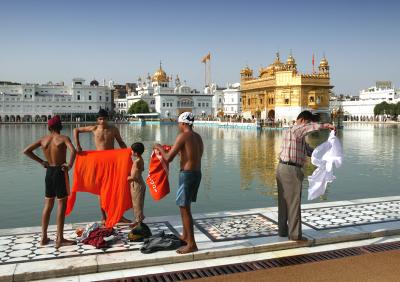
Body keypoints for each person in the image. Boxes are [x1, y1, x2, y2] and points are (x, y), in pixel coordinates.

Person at [276, 111, 336, 241]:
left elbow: (308, 151)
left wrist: (322, 156)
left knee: (284, 202)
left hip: (282, 168)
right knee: (294, 203)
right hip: (291, 170)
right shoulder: (297, 129)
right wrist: (326, 126)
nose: (309, 126)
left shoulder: (293, 133)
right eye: (308, 122)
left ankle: (283, 231)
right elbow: (309, 127)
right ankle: (295, 235)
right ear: (303, 120)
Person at [23, 115, 76, 248]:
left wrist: (41, 162)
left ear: (49, 127)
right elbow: (73, 151)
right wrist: (69, 166)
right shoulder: (63, 138)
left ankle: (44, 237)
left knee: (48, 204)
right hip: (60, 172)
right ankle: (59, 238)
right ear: (60, 126)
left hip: (49, 172)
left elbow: (26, 151)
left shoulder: (43, 140)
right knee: (61, 204)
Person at [154, 112, 203, 254]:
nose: (178, 126)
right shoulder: (197, 137)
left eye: (178, 123)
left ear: (183, 123)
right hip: (196, 173)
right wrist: (180, 151)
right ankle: (186, 236)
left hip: (187, 175)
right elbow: (195, 154)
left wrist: (159, 147)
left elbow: (168, 158)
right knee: (185, 206)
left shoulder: (183, 136)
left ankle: (192, 244)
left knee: (184, 208)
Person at [73, 109, 131, 224]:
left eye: (104, 118)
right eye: (100, 119)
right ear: (97, 120)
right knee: (101, 191)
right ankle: (104, 217)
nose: (102, 120)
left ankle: (119, 215)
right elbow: (76, 130)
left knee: (115, 188)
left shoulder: (113, 129)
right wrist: (78, 145)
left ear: (107, 119)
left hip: (112, 161)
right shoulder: (94, 129)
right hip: (99, 162)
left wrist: (128, 153)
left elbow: (120, 142)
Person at [127, 142, 146, 228]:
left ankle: (139, 222)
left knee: (137, 204)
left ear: (136, 153)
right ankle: (138, 220)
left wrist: (124, 178)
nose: (131, 152)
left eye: (132, 151)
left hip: (137, 184)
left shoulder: (137, 162)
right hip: (139, 183)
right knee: (136, 203)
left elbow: (134, 177)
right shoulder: (140, 160)